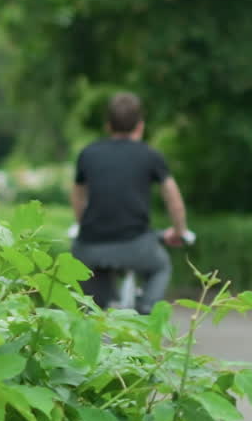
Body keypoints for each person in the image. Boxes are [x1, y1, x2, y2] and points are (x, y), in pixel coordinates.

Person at [71, 91, 189, 314]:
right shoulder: (150, 155)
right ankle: (146, 310)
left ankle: (92, 319)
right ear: (140, 126)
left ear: (108, 126)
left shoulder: (88, 154)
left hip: (90, 247)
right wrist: (179, 231)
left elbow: (77, 196)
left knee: (91, 306)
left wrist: (83, 224)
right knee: (161, 266)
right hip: (136, 246)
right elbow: (174, 201)